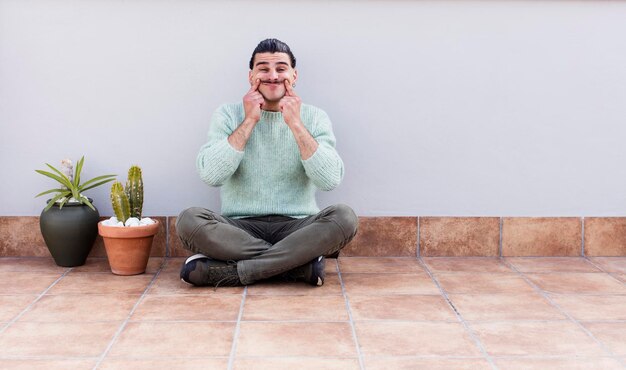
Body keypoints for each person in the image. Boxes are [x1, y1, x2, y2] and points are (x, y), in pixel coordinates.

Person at [176, 38, 358, 288]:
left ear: (294, 76)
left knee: (344, 218)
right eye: (264, 68)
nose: (273, 76)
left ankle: (238, 272)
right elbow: (211, 175)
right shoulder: (228, 115)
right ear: (251, 76)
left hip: (297, 227)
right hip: (239, 228)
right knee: (189, 221)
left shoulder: (314, 117)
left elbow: (329, 180)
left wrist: (294, 123)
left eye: (281, 69)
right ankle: (296, 266)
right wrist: (250, 120)